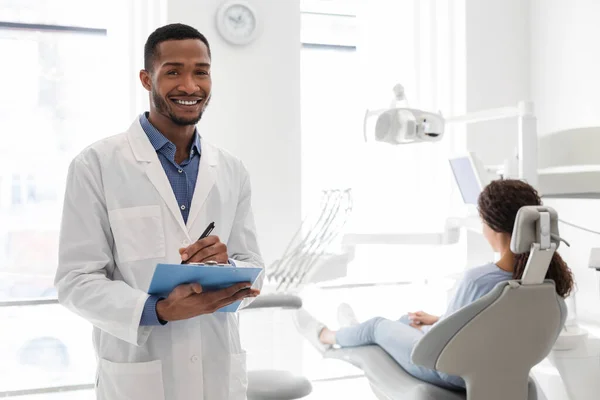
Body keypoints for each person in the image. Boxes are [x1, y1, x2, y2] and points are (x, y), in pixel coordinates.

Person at [54, 23, 263, 400]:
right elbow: (75, 281)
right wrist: (159, 309)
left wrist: (228, 263)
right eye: (173, 71)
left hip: (217, 372)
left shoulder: (231, 170)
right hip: (140, 378)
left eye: (201, 71)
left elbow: (253, 267)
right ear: (146, 79)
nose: (189, 85)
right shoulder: (96, 165)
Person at [294, 179, 574, 391]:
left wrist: (434, 327)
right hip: (502, 371)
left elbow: (448, 345)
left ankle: (326, 337)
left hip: (451, 372)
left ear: (491, 226)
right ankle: (355, 332)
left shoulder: (479, 280)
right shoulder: (545, 285)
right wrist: (434, 320)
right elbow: (492, 327)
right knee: (409, 320)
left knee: (378, 325)